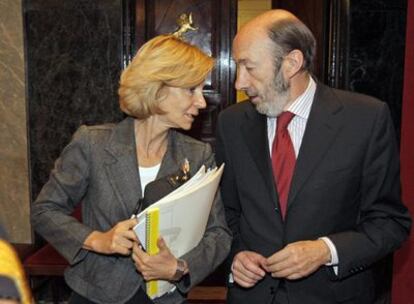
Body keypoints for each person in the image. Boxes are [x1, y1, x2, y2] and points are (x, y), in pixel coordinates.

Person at [215, 9, 412, 304]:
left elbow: (390, 222)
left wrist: (325, 251)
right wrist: (237, 255)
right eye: (237, 67)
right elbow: (225, 213)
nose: (238, 83)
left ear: (292, 63)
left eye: (249, 67)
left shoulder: (365, 119)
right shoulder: (231, 123)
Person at [31, 35, 231, 304]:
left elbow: (218, 235)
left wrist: (179, 267)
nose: (202, 102)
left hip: (164, 298)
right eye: (191, 90)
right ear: (157, 88)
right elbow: (44, 210)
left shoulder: (197, 155)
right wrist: (97, 239)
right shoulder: (93, 144)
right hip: (96, 295)